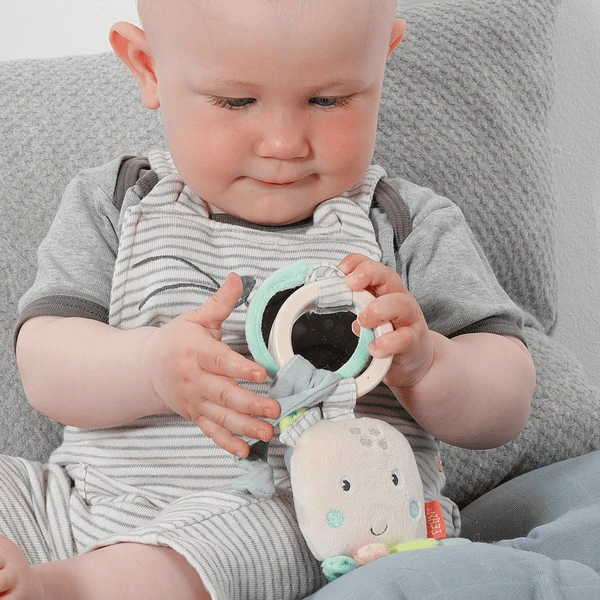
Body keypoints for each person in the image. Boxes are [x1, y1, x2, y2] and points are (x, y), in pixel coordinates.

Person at [2, 0, 535, 599]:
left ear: (381, 61)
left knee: (260, 530)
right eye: (236, 102)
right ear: (149, 67)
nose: (284, 143)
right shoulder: (119, 202)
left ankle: (69, 590)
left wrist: (429, 365)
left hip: (299, 523)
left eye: (327, 100)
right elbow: (44, 366)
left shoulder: (402, 223)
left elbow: (507, 401)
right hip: (83, 503)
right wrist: (150, 366)